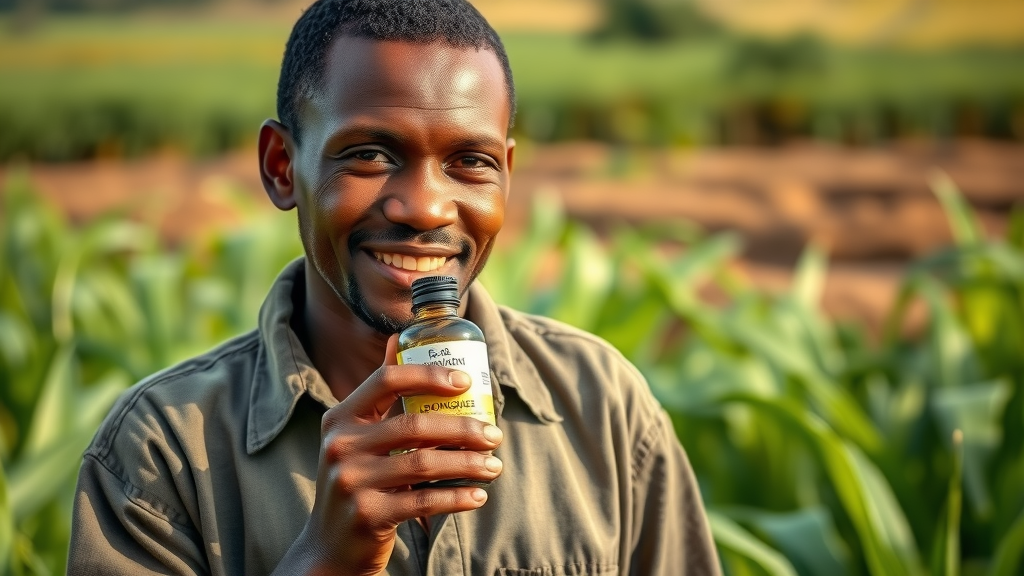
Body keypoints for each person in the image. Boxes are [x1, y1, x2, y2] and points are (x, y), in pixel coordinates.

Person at [68, 0, 721, 574]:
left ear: (507, 174)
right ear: (281, 167)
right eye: (370, 155)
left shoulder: (604, 410)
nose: (426, 208)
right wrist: (324, 561)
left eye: (471, 162)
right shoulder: (162, 453)